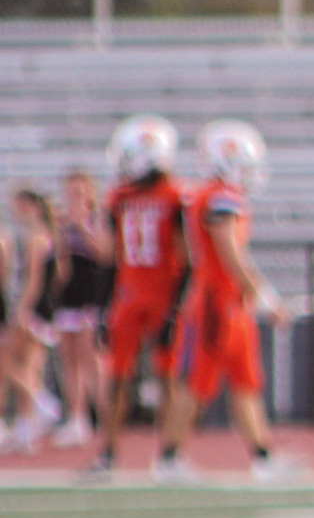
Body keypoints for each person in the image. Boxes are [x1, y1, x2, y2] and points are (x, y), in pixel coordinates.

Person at [154, 121, 290, 481]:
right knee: (196, 383)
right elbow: (230, 251)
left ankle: (263, 457)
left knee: (246, 381)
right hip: (216, 302)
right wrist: (265, 297)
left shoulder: (213, 195)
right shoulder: (219, 197)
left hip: (230, 302)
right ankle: (168, 458)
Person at [91, 116, 191, 475]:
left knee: (163, 379)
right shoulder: (125, 197)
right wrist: (104, 308)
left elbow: (184, 257)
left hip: (148, 297)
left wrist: (175, 308)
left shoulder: (173, 196)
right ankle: (113, 454)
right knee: (123, 378)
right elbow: (111, 256)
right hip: (135, 297)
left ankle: (165, 455)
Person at [48, 169, 109, 449]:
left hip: (91, 298)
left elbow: (104, 255)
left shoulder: (97, 219)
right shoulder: (62, 222)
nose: (74, 197)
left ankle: (106, 417)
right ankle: (77, 418)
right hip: (68, 298)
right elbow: (60, 265)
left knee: (92, 360)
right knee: (69, 361)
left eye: (79, 192)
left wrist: (82, 226)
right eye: (70, 192)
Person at [2, 188, 65, 452]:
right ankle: (26, 428)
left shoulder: (35, 237)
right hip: (45, 310)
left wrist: (23, 310)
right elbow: (60, 276)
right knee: (27, 366)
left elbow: (34, 280)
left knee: (4, 361)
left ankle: (41, 402)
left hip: (34, 310)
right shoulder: (48, 235)